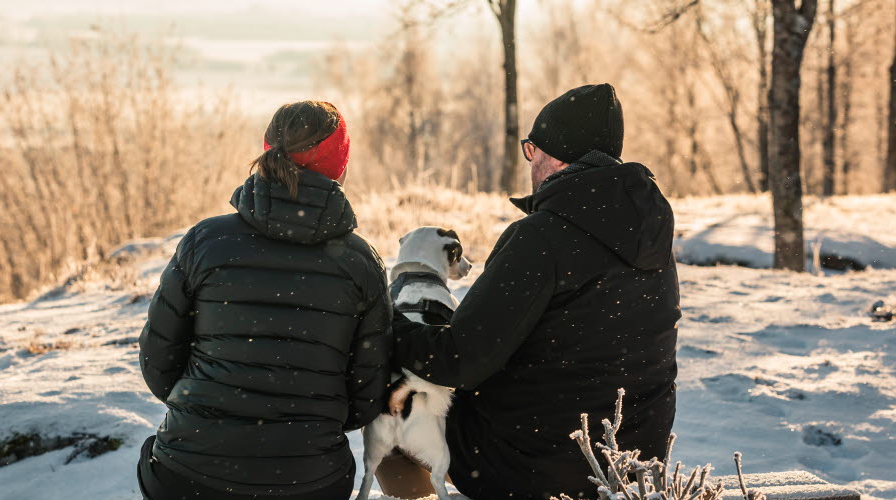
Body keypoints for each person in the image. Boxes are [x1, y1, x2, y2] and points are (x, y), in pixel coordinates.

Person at [378, 83, 681, 499]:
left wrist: (385, 326)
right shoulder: (652, 234)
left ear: (553, 155)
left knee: (397, 404)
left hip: (537, 465)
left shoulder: (540, 238)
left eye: (531, 149)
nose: (529, 161)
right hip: (632, 462)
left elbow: (459, 360)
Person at [136, 101, 392, 500]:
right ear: (339, 167)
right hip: (310, 482)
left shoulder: (206, 242)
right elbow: (366, 395)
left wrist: (205, 411)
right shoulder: (360, 264)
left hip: (189, 476)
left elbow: (158, 359)